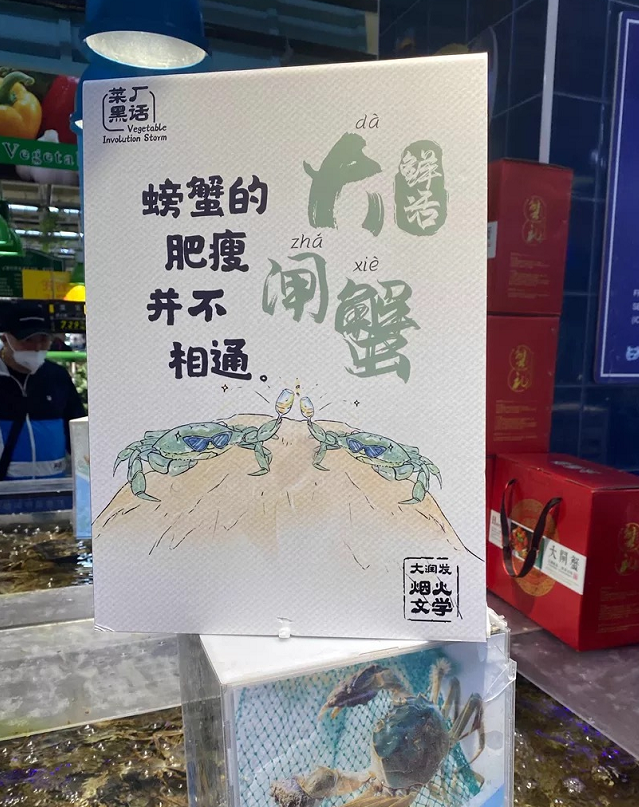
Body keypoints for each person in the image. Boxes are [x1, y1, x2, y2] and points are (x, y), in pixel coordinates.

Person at [0, 300, 85, 481]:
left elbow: (78, 432)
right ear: (5, 339)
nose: (37, 347)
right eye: (27, 340)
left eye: (43, 339)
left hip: (54, 486)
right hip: (6, 488)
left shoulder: (57, 377)